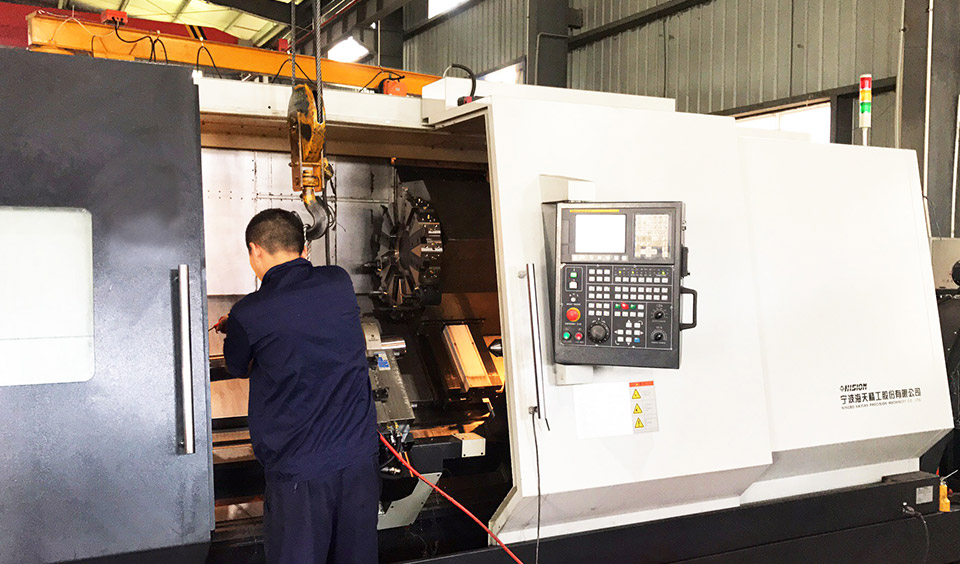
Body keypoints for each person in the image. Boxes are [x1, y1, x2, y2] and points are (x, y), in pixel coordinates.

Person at [219, 208, 379, 564]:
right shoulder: (338, 281)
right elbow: (302, 318)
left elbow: (237, 365)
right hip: (358, 461)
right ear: (304, 249)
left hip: (300, 474)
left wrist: (236, 326)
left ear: (254, 250)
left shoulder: (248, 313)